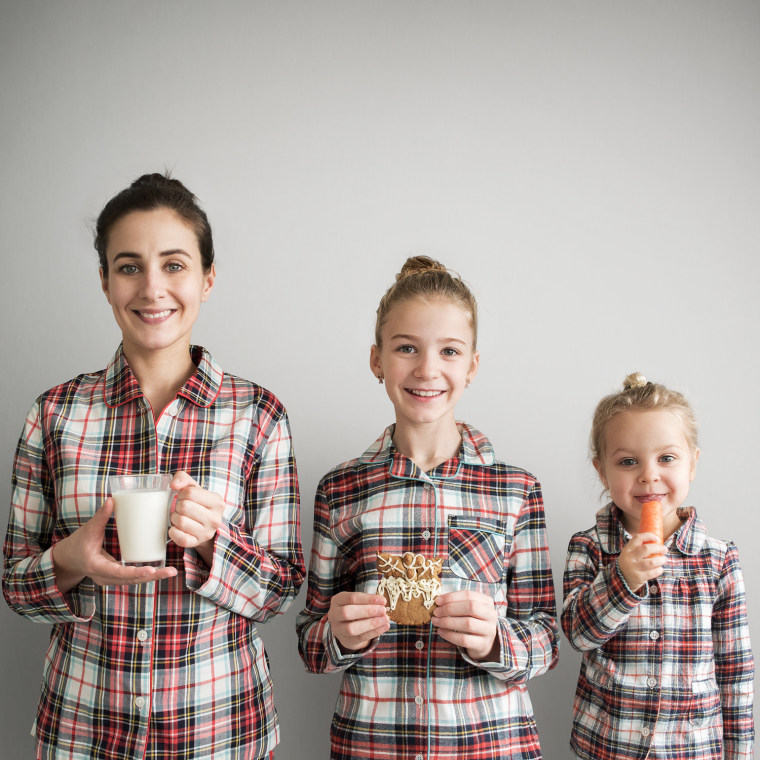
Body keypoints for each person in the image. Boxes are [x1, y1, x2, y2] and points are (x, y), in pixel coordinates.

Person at [3, 173, 305, 760]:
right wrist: (70, 560)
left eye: (173, 264)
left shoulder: (258, 415)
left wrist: (218, 542)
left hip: (222, 734)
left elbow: (281, 593)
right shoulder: (55, 414)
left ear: (207, 278)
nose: (151, 287)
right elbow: (15, 586)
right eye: (128, 266)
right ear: (104, 281)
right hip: (82, 730)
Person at [296, 256, 559, 759]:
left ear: (472, 366)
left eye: (450, 351)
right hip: (370, 746)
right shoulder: (340, 489)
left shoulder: (517, 490)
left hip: (490, 746)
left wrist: (495, 641)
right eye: (406, 348)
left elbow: (546, 635)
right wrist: (339, 636)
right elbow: (310, 640)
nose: (427, 369)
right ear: (377, 360)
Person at [562, 373, 754, 760]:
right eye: (628, 461)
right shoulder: (589, 548)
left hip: (693, 750)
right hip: (607, 746)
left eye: (666, 458)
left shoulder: (719, 561)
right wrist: (622, 578)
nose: (649, 475)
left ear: (692, 464)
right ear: (602, 471)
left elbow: (736, 674)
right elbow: (578, 635)